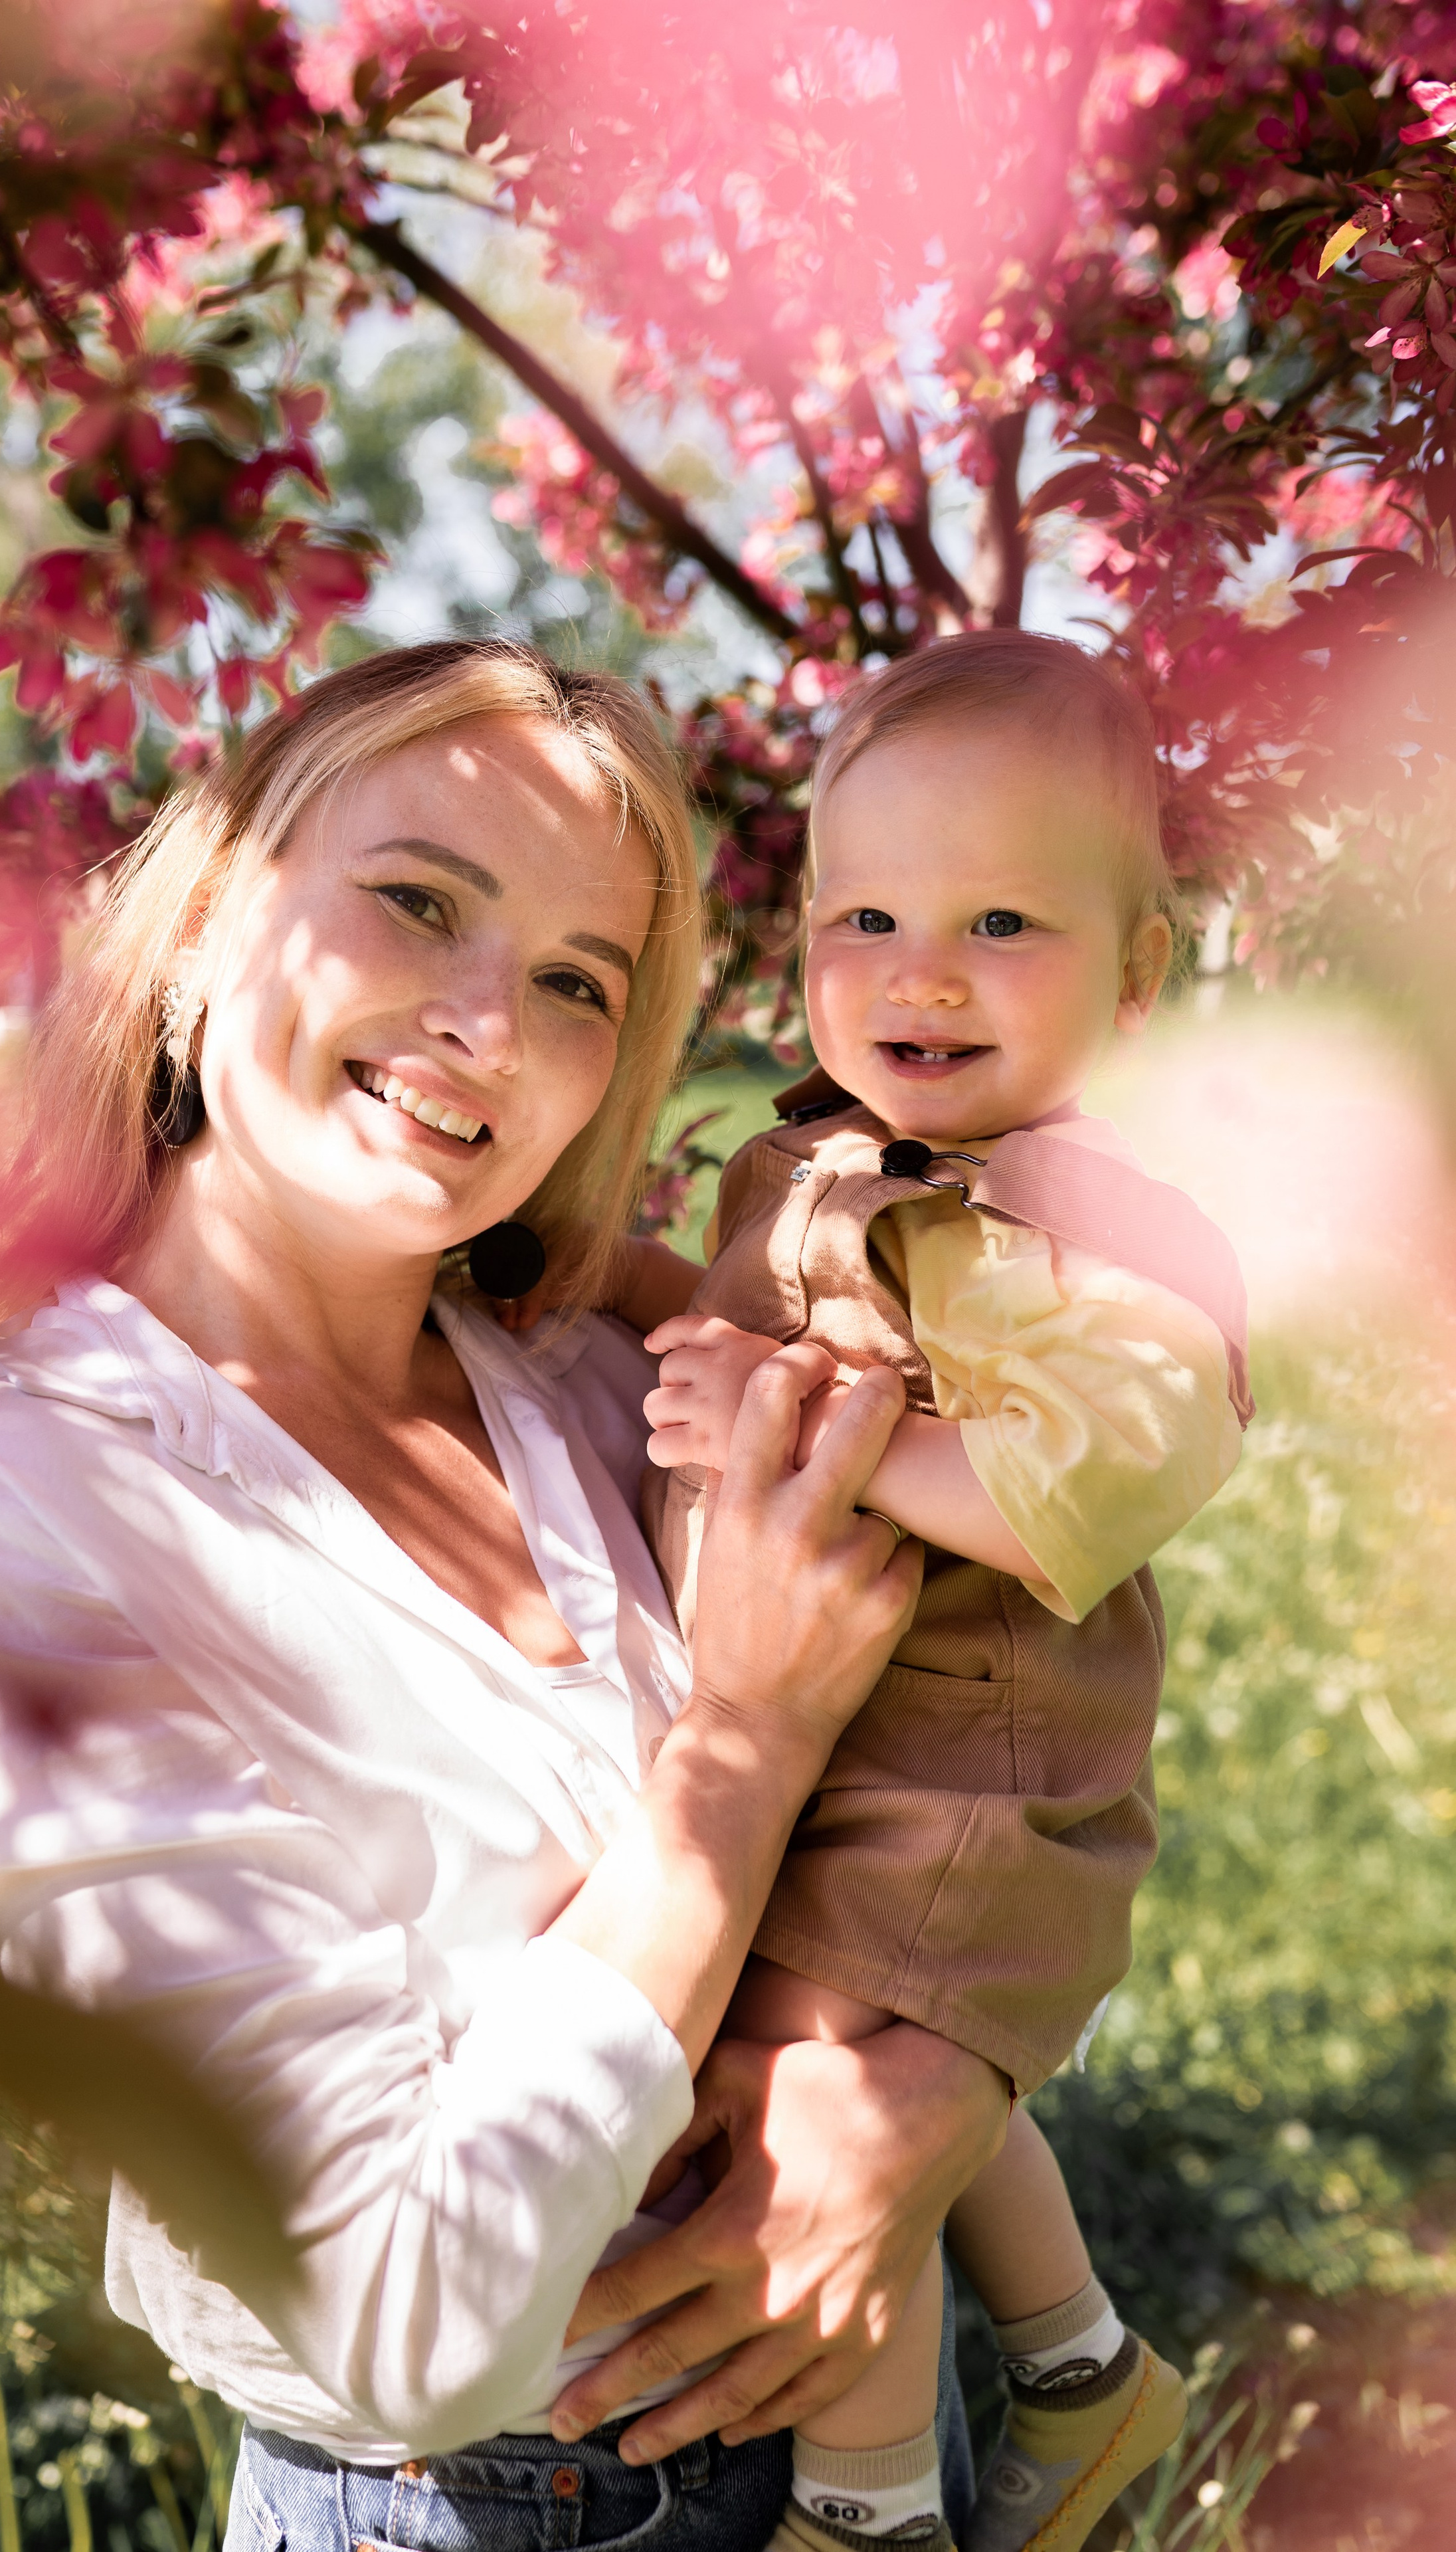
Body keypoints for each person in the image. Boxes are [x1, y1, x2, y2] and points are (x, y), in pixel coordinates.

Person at [0, 640, 1008, 2552]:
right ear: (216, 904)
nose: (485, 1022)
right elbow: (402, 2319)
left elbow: (1006, 1779)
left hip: (877, 2440)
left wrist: (921, 2106)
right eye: (417, 901)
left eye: (574, 983)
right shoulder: (7, 1524)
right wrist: (744, 1743)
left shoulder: (608, 1392)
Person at [602, 635, 1253, 2552]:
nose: (919, 969)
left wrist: (842, 1436)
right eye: (865, 913)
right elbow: (724, 1322)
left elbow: (1105, 1477)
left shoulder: (1090, 1223)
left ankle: (870, 2507)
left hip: (968, 1760)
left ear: (1137, 974)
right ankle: (1078, 2370)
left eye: (999, 921)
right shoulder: (815, 1157)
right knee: (883, 2067)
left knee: (828, 2093)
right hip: (845, 1743)